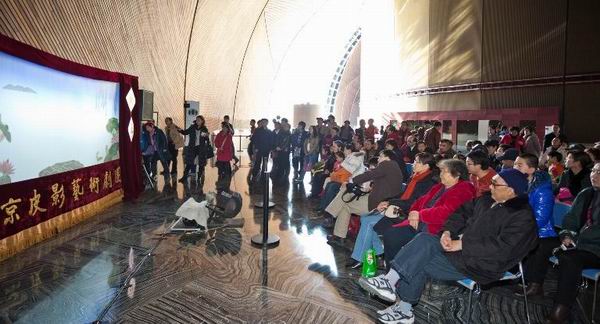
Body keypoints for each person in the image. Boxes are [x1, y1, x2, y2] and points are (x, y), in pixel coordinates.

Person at [359, 168, 537, 324]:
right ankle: (394, 289)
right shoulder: (486, 201)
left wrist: (463, 244)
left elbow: (502, 248)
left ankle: (401, 302)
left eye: (495, 184)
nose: (490, 186)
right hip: (458, 252)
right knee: (423, 242)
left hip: (482, 264)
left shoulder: (522, 217)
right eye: (491, 182)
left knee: (418, 257)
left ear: (511, 191)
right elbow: (458, 214)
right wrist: (447, 232)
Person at [375, 159, 476, 268]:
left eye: (444, 171)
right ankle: (392, 272)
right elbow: (420, 200)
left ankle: (395, 274)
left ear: (457, 174)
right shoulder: (440, 187)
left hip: (438, 228)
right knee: (391, 234)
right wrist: (414, 211)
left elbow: (446, 212)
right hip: (420, 222)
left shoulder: (464, 188)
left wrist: (420, 215)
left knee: (394, 236)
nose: (440, 174)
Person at [544, 163, 600, 323]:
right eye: (594, 171)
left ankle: (561, 310)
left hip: (596, 249)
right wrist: (567, 234)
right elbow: (571, 218)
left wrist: (578, 238)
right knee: (542, 243)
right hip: (580, 245)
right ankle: (536, 286)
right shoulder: (587, 193)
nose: (594, 175)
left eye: (599, 172)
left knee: (570, 258)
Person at [325, 149, 404, 245]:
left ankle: (333, 222)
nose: (378, 159)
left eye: (380, 156)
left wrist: (352, 180)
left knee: (345, 202)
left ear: (387, 158)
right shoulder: (394, 167)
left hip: (378, 203)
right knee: (346, 197)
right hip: (383, 201)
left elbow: (370, 174)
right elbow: (383, 184)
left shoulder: (387, 164)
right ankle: (335, 226)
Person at [512, 153, 557, 299]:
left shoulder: (543, 190)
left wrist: (519, 229)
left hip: (543, 232)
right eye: (515, 164)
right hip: (525, 226)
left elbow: (540, 219)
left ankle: (535, 285)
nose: (515, 167)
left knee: (537, 248)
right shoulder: (519, 183)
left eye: (519, 165)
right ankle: (517, 275)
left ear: (531, 170)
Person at [177, 116, 210, 183]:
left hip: (201, 148)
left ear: (202, 121)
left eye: (199, 120)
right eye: (197, 120)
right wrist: (180, 130)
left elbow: (206, 139)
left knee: (201, 163)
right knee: (189, 162)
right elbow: (185, 132)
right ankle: (184, 177)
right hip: (193, 148)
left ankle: (199, 177)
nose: (197, 121)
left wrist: (206, 136)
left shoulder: (204, 129)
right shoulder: (192, 127)